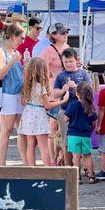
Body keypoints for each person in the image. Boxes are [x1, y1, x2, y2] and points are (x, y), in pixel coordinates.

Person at [18, 58, 69, 166]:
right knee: (43, 145)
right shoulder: (40, 87)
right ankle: (47, 169)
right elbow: (47, 105)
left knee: (30, 144)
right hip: (38, 116)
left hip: (28, 114)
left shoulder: (27, 85)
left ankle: (32, 169)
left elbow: (23, 102)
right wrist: (63, 101)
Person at [0, 23, 27, 166]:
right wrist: (12, 61)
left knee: (22, 131)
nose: (22, 41)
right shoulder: (0, 51)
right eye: (21, 38)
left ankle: (26, 163)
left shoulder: (14, 52)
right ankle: (1, 164)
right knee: (6, 130)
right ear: (12, 36)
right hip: (7, 95)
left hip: (18, 95)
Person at [53, 47, 92, 165]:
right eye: (65, 62)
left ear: (76, 60)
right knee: (66, 141)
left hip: (81, 113)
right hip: (65, 111)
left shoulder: (83, 73)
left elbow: (89, 91)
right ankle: (68, 167)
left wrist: (76, 87)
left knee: (81, 141)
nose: (68, 64)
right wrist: (62, 90)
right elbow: (55, 94)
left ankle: (82, 168)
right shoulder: (60, 76)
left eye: (70, 61)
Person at [40, 23, 70, 164]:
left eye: (66, 32)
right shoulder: (48, 50)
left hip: (67, 90)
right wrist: (49, 74)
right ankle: (53, 158)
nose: (65, 34)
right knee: (53, 125)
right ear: (53, 35)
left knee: (64, 124)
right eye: (62, 32)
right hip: (54, 91)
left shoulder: (67, 48)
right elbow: (39, 67)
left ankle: (63, 156)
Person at [65, 82, 97, 184]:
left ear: (76, 94)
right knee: (87, 156)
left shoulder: (72, 105)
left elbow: (66, 119)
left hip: (74, 135)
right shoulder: (91, 107)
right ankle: (92, 177)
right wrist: (90, 131)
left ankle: (78, 178)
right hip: (86, 135)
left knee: (76, 157)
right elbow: (93, 123)